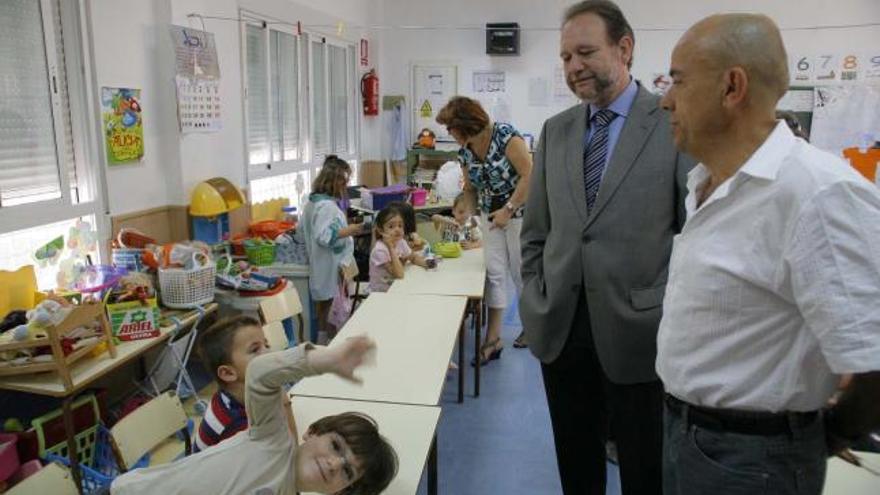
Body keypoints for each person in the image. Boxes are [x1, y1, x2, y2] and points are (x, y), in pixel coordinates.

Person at [656, 13, 880, 495]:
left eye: (677, 82)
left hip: (753, 460)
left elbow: (875, 360)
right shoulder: (706, 184)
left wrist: (826, 433)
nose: (665, 100)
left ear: (731, 87)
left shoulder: (816, 194)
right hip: (687, 435)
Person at [518, 1, 693, 494]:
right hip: (562, 328)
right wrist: (535, 297)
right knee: (576, 467)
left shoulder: (670, 124)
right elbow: (536, 231)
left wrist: (666, 306)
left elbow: (691, 233)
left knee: (645, 470)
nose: (574, 67)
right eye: (566, 57)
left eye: (586, 52)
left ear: (625, 48)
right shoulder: (557, 131)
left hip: (641, 331)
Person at [112, 336, 399, 495]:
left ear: (342, 491)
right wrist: (324, 360)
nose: (335, 464)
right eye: (336, 445)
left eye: (348, 471)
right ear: (311, 432)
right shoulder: (274, 440)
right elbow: (260, 374)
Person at [436, 96, 533, 365]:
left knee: (520, 271)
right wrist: (464, 213)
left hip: (520, 214)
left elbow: (529, 174)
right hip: (490, 216)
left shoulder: (506, 137)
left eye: (450, 127)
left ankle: (533, 327)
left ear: (463, 124)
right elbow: (470, 188)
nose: (448, 133)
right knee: (494, 273)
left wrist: (509, 209)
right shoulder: (465, 151)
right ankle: (493, 339)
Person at [193, 315, 295, 452]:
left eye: (266, 345)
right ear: (228, 373)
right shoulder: (235, 423)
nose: (269, 353)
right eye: (255, 350)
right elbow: (288, 451)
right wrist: (283, 401)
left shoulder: (240, 396)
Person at [301, 156, 366, 342]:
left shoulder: (313, 202)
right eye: (344, 183)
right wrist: (351, 230)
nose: (345, 187)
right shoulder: (326, 206)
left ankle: (324, 342)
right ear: (335, 182)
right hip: (329, 265)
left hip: (325, 264)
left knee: (326, 307)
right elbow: (324, 236)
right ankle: (328, 343)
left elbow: (310, 230)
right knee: (331, 308)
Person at [369, 204, 428, 293]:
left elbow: (413, 257)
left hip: (397, 286)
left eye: (400, 225)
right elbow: (399, 274)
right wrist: (391, 247)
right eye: (391, 226)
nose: (397, 229)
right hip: (382, 293)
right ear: (381, 231)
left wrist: (426, 264)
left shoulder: (401, 242)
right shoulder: (380, 250)